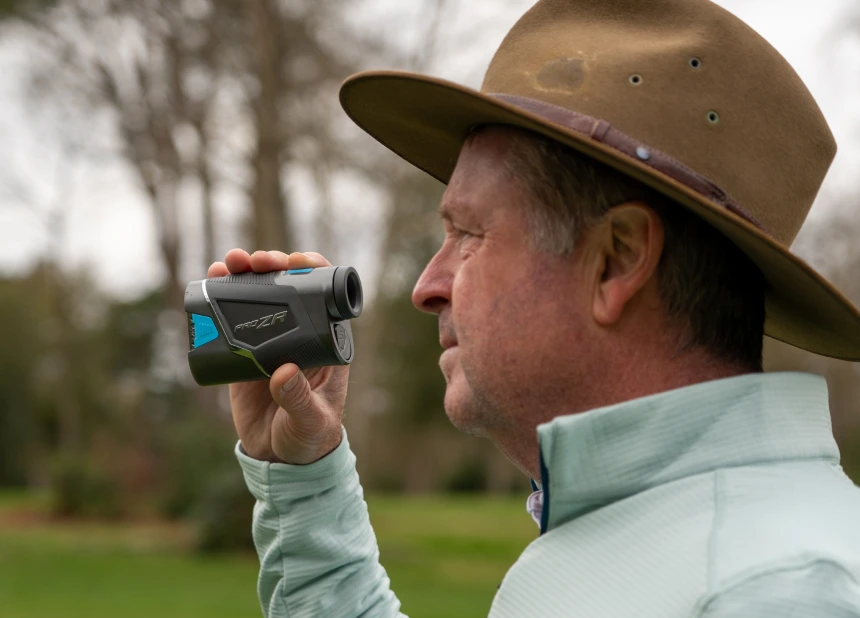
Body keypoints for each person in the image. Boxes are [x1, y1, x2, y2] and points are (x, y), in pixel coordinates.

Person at [207, 0, 860, 616]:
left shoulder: (773, 590)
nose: (428, 286)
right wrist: (306, 478)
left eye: (469, 233)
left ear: (616, 261)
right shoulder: (670, 537)